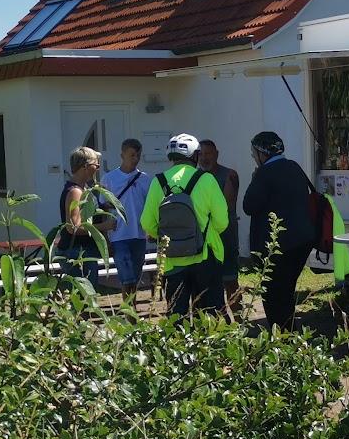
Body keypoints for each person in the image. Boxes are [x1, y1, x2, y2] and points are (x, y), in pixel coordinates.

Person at [140, 133, 229, 316]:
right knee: (208, 315)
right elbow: (222, 221)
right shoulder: (206, 179)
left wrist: (169, 235)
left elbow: (147, 223)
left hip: (172, 260)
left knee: (176, 316)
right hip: (205, 256)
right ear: (194, 155)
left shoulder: (159, 182)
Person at [243, 131, 315, 330]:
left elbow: (248, 206)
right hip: (302, 241)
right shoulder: (294, 167)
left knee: (273, 294)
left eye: (253, 152)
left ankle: (281, 335)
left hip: (277, 245)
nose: (252, 156)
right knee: (286, 289)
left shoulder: (264, 173)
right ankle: (288, 331)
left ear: (261, 153)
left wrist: (254, 179)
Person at [100, 137, 152, 302]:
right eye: (131, 155)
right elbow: (102, 209)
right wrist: (105, 236)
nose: (135, 159)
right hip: (118, 235)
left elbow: (149, 207)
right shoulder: (109, 179)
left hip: (139, 234)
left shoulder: (145, 179)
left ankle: (132, 308)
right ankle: (129, 311)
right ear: (122, 155)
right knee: (126, 277)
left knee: (135, 277)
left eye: (138, 155)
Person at [54, 145, 113, 289]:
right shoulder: (75, 192)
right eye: (95, 164)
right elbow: (73, 227)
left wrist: (103, 207)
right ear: (85, 166)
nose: (98, 168)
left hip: (84, 250)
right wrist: (105, 226)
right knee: (84, 298)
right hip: (76, 252)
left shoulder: (84, 189)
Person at [198, 139, 241, 305]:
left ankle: (238, 321)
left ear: (216, 154)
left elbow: (225, 205)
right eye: (200, 154)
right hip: (204, 240)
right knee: (207, 284)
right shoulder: (195, 177)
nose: (204, 158)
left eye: (208, 153)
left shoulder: (229, 174)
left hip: (226, 237)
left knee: (230, 281)